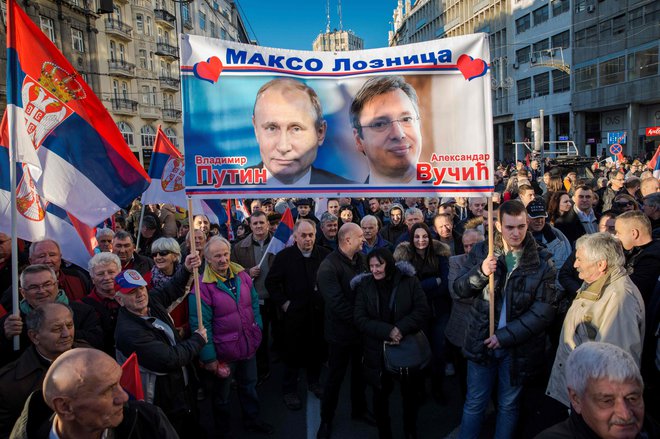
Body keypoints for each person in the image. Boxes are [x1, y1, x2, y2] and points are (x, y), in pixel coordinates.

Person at [454, 200, 557, 439]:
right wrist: (480, 272)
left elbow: (544, 311)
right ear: (499, 226)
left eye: (521, 226)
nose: (516, 232)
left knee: (509, 405)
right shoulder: (482, 251)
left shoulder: (542, 261)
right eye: (510, 227)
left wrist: (505, 336)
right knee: (475, 404)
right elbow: (459, 289)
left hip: (516, 348)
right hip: (481, 340)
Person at [546, 233, 645, 410]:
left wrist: (598, 409)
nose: (575, 265)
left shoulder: (619, 299)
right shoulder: (595, 283)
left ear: (601, 265)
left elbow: (617, 366)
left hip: (593, 402)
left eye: (579, 259)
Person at [190, 236, 273, 437]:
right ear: (207, 259)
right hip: (223, 353)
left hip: (247, 346)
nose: (223, 259)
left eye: (225, 254)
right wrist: (209, 358)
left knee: (249, 387)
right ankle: (223, 429)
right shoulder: (201, 287)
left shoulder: (242, 276)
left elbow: (254, 303)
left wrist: (257, 328)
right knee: (222, 396)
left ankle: (252, 420)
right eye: (217, 256)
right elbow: (201, 324)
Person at [114, 257, 205, 437]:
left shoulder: (150, 302)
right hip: (163, 397)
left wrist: (186, 269)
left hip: (181, 386)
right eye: (132, 291)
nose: (140, 294)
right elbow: (168, 359)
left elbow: (171, 289)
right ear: (119, 299)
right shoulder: (128, 331)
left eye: (141, 287)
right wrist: (197, 340)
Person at [10, 348, 179, 439]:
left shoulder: (148, 421)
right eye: (108, 390)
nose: (124, 397)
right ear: (65, 407)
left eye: (119, 383)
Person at [353, 248, 430, 439]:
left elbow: (422, 310)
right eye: (371, 266)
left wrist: (400, 329)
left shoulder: (409, 281)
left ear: (389, 263)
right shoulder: (365, 285)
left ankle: (410, 431)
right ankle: (384, 433)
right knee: (380, 396)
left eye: (379, 265)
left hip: (406, 347)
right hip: (377, 351)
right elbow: (360, 318)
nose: (375, 270)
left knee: (409, 395)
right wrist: (387, 331)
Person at [265, 219, 331, 410]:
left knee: (316, 350)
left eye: (311, 235)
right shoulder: (285, 256)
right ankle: (289, 390)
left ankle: (314, 382)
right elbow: (272, 283)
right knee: (292, 354)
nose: (308, 239)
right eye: (303, 235)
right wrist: (284, 303)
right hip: (294, 315)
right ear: (295, 237)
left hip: (318, 314)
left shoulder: (324, 255)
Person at [537, 342, 659, 439]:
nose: (625, 415)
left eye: (632, 398)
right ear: (576, 399)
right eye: (607, 401)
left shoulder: (652, 430)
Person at [316, 223, 370, 439]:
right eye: (360, 236)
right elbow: (336, 303)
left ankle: (360, 410)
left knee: (361, 375)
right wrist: (362, 320)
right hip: (340, 335)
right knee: (334, 379)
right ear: (348, 240)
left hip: (361, 333)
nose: (364, 239)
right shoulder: (328, 267)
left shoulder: (362, 260)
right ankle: (326, 420)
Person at [252, 78, 353, 185]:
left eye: (296, 129)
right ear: (256, 129)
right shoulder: (235, 187)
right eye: (271, 128)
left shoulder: (351, 189)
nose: (283, 147)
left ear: (320, 132)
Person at [0, 265, 103, 367]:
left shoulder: (84, 312)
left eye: (47, 284)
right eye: (34, 287)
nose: (42, 291)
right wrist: (6, 336)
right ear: (23, 292)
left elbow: (97, 342)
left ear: (56, 285)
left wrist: (57, 334)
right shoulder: (12, 321)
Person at [0, 303, 76, 438]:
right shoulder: (9, 383)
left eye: (69, 326)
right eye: (57, 329)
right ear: (34, 336)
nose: (66, 334)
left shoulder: (90, 355)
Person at [394, 223, 450, 402]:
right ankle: (419, 389)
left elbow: (446, 283)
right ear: (411, 239)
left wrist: (426, 287)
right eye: (417, 237)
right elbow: (412, 288)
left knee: (439, 351)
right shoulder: (406, 258)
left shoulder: (440, 255)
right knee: (420, 352)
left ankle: (438, 388)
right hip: (418, 314)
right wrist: (435, 281)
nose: (421, 240)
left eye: (424, 236)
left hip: (440, 311)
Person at [350, 76, 422, 184]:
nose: (398, 134)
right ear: (359, 140)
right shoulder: (349, 198)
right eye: (379, 124)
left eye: (406, 119)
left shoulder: (454, 195)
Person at [232, 210, 275, 385]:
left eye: (261, 223)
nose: (258, 226)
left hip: (276, 298)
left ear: (267, 224)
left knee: (280, 334)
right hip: (254, 300)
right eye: (255, 223)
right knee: (260, 336)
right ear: (250, 225)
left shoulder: (278, 243)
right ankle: (261, 369)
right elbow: (233, 273)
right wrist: (247, 272)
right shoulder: (239, 247)